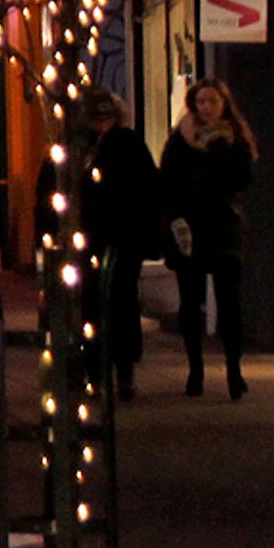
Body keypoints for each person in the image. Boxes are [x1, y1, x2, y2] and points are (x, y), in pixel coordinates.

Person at [165, 79, 257, 399]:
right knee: (190, 303)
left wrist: (218, 146)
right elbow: (168, 182)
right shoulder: (180, 140)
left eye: (212, 102)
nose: (206, 108)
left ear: (223, 104)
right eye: (201, 102)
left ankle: (234, 370)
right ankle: (195, 370)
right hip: (189, 230)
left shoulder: (233, 138)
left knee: (230, 303)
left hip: (223, 228)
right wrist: (175, 220)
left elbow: (242, 178)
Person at [74, 87, 158, 400]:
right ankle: (98, 371)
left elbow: (145, 187)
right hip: (96, 235)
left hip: (120, 235)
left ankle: (119, 371)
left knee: (117, 301)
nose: (102, 123)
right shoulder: (84, 146)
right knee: (95, 303)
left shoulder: (124, 144)